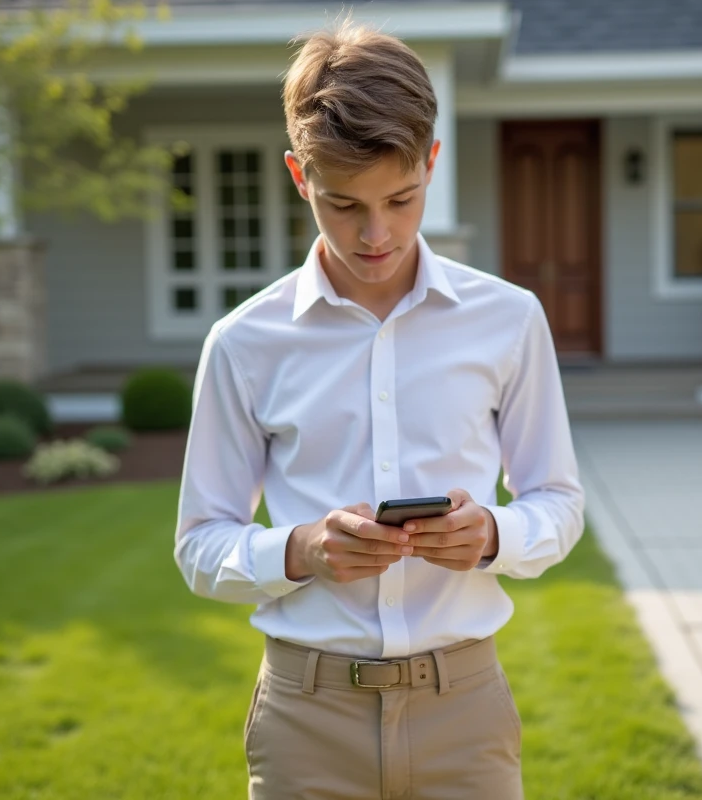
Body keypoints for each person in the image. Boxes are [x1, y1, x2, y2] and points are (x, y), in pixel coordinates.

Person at [172, 19, 585, 800]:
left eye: (401, 198)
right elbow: (199, 546)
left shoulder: (510, 319)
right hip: (306, 719)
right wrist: (299, 551)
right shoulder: (243, 342)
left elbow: (559, 505)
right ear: (300, 177)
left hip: (464, 712)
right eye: (342, 203)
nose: (375, 233)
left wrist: (492, 533)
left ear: (432, 162)